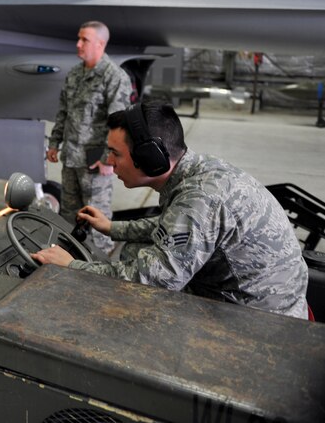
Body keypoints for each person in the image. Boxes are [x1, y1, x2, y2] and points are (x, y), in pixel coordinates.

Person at [33, 101, 310, 319]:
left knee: (128, 290)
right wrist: (112, 227)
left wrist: (71, 267)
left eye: (116, 153)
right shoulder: (199, 170)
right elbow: (173, 227)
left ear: (150, 158)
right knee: (131, 250)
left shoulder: (198, 200)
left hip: (262, 318)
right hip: (271, 296)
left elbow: (149, 282)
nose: (109, 162)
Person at [46, 20, 133, 254]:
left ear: (100, 43)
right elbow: (63, 111)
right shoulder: (75, 73)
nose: (78, 44)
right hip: (71, 159)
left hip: (95, 162)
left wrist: (108, 158)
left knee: (97, 220)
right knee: (68, 217)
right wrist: (54, 143)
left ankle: (101, 268)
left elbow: (119, 123)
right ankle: (69, 260)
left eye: (84, 39)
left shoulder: (114, 77)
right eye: (79, 38)